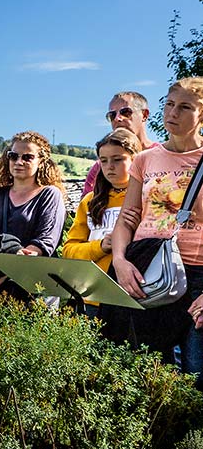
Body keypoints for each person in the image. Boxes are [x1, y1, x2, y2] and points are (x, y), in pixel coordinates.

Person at [110, 78, 203, 387]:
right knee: (147, 367)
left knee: (195, 372)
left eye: (185, 107)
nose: (173, 113)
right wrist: (121, 262)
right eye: (169, 105)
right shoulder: (144, 159)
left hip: (198, 277)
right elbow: (127, 219)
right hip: (149, 267)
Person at [0, 131, 66, 310]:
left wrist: (5, 274)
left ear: (41, 161)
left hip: (34, 290)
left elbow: (44, 243)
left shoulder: (49, 195)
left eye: (28, 157)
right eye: (13, 156)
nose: (19, 162)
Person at [62, 129, 142, 316]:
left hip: (131, 296)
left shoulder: (146, 197)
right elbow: (69, 251)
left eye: (117, 159)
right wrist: (100, 247)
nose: (109, 166)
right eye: (103, 160)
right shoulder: (90, 201)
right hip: (91, 297)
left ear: (135, 160)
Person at [82, 91, 158, 196]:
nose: (117, 118)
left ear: (144, 115)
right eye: (112, 115)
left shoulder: (163, 156)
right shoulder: (101, 167)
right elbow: (87, 207)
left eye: (125, 112)